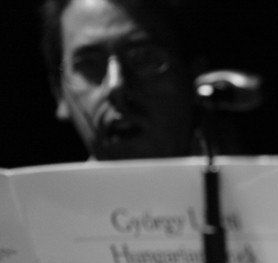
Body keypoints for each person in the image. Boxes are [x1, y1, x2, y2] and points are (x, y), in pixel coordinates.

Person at [39, 0, 241, 160]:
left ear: (194, 76)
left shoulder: (255, 195)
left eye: (144, 59)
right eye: (89, 64)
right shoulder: (29, 201)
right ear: (58, 91)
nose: (116, 85)